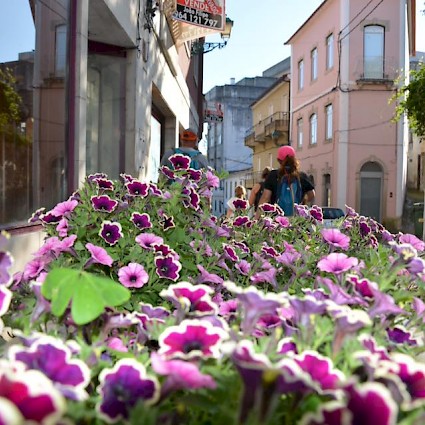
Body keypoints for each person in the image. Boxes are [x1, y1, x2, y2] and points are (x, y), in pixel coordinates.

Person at [255, 145, 315, 219]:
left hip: (277, 220)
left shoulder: (273, 175)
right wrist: (303, 202)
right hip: (296, 220)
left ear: (278, 160)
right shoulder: (302, 176)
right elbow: (312, 195)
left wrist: (256, 218)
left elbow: (265, 198)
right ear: (294, 159)